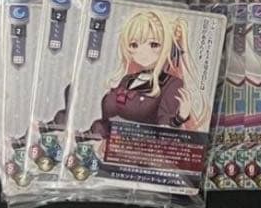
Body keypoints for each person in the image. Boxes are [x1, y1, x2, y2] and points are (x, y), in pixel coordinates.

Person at [85, 11, 205, 140]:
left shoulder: (171, 84)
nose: (142, 52)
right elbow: (106, 123)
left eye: (153, 44)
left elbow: (165, 129)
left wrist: (179, 118)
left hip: (143, 147)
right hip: (109, 144)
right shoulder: (127, 80)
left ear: (168, 47)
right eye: (134, 45)